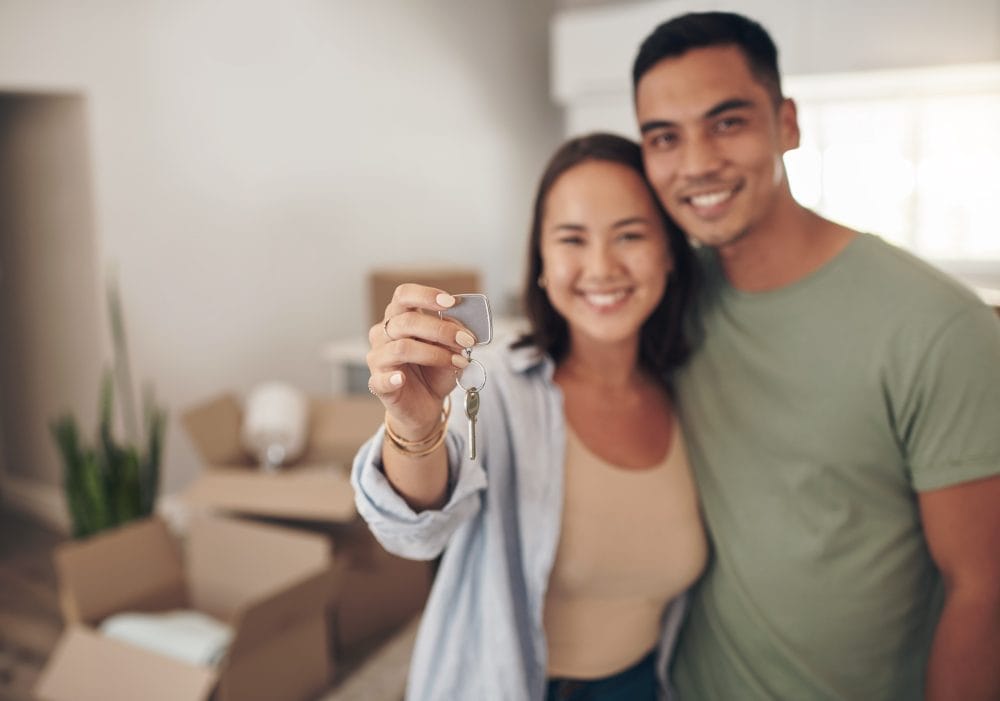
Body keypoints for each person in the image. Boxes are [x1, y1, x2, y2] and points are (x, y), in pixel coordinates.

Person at [631, 11, 1000, 700]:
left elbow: (983, 588)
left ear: (788, 124)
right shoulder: (663, 301)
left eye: (728, 122)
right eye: (664, 137)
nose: (697, 162)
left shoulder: (938, 324)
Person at [352, 133, 707, 700]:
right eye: (572, 238)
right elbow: (415, 529)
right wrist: (415, 426)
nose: (601, 266)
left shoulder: (691, 393)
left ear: (668, 250)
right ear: (540, 260)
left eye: (631, 235)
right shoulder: (496, 385)